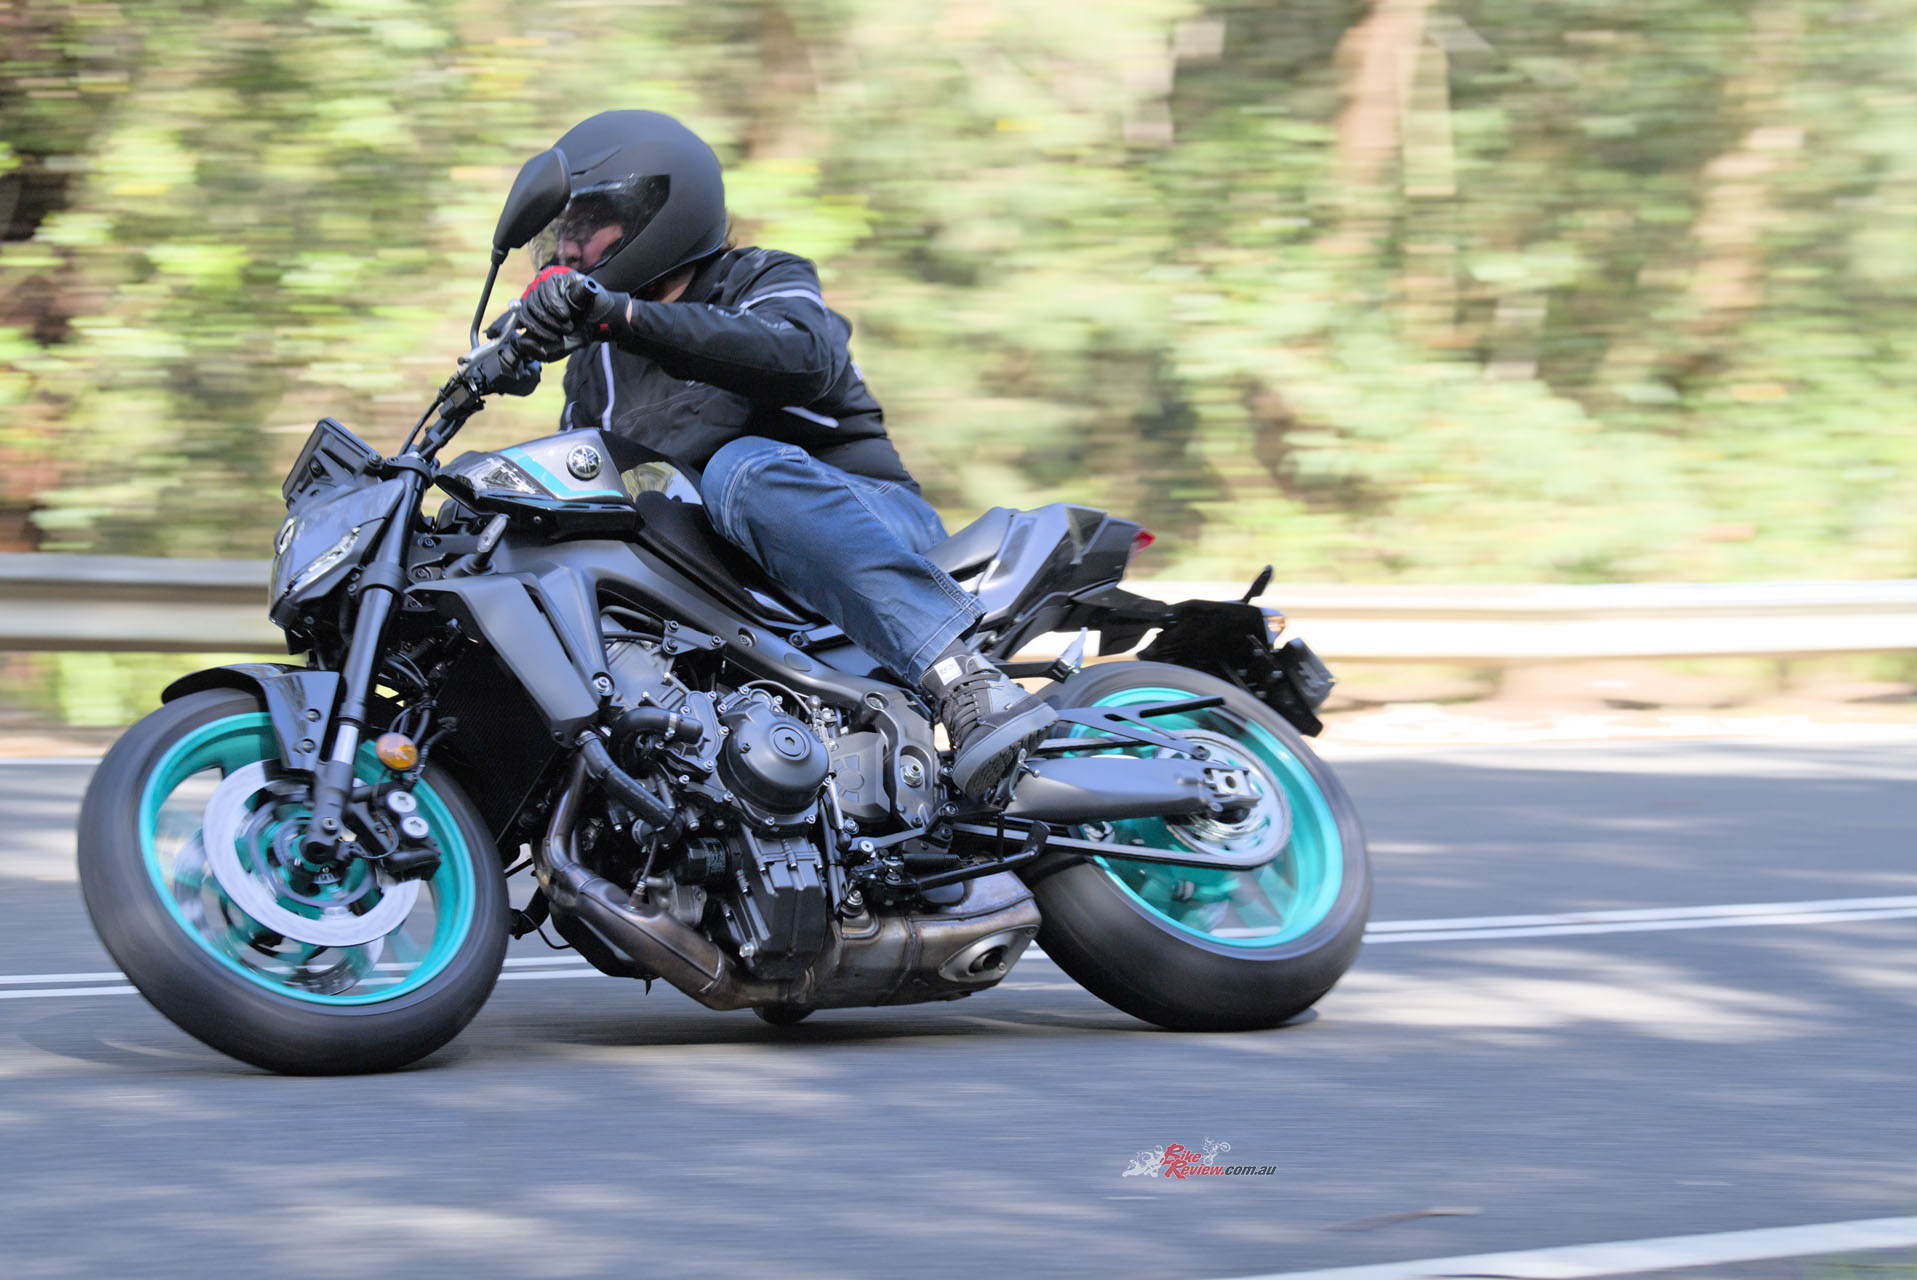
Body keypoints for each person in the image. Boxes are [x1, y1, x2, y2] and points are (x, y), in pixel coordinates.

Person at [512, 109, 1055, 799]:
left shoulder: (761, 278)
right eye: (561, 231)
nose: (568, 246)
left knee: (738, 472)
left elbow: (803, 356)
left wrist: (622, 315)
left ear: (658, 213)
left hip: (873, 526)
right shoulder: (595, 365)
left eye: (588, 224)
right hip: (735, 581)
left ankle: (964, 679)